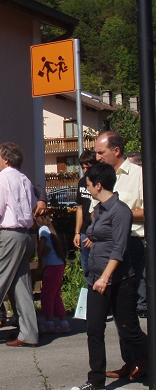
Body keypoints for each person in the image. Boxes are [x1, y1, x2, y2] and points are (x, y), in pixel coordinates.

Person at [70, 163, 147, 390]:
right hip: (96, 279)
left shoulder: (120, 210)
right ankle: (96, 381)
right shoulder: (100, 209)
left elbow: (120, 248)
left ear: (99, 184)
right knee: (94, 330)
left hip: (118, 281)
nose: (87, 188)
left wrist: (105, 277)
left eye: (89, 184)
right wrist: (93, 239)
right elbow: (100, 233)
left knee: (129, 331)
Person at [0, 143, 47, 329]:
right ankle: (29, 332)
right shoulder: (24, 179)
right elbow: (31, 206)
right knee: (22, 286)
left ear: (5, 160)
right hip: (24, 235)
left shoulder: (1, 179)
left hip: (8, 236)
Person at [93, 131, 147, 379]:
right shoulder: (102, 177)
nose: (97, 157)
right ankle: (133, 360)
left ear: (116, 151)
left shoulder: (138, 175)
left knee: (128, 309)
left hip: (131, 245)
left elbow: (148, 210)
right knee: (117, 311)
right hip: (106, 248)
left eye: (100, 152)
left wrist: (119, 213)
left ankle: (143, 358)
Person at [35, 214, 69, 334]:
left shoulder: (43, 229)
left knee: (47, 294)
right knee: (55, 294)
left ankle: (49, 322)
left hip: (51, 265)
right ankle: (63, 321)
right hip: (58, 264)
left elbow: (41, 244)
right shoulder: (51, 229)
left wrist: (39, 259)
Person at [73, 150, 98, 277]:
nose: (85, 170)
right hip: (84, 233)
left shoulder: (100, 182)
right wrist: (77, 232)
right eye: (83, 167)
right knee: (86, 269)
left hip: (97, 233)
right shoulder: (82, 182)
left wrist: (94, 234)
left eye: (88, 167)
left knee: (97, 269)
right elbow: (80, 207)